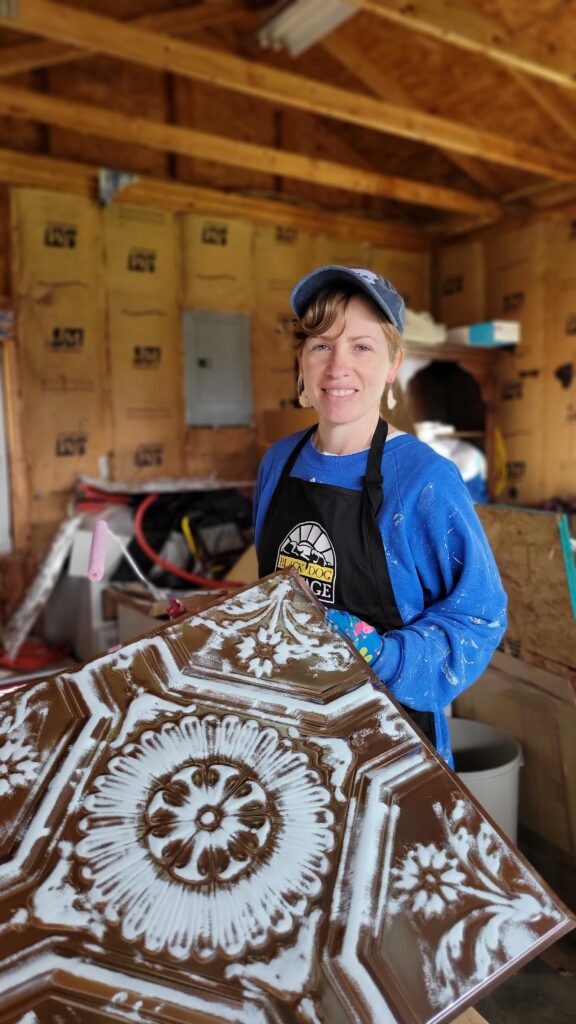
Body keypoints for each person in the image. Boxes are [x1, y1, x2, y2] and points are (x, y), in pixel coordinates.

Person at [253, 266, 507, 767]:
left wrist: (382, 656)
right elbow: (271, 590)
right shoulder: (277, 462)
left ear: (394, 363)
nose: (337, 367)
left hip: (391, 744)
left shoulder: (425, 479)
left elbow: (479, 617)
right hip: (290, 726)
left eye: (362, 347)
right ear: (301, 361)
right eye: (321, 345)